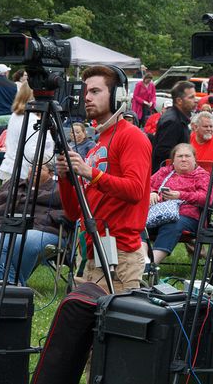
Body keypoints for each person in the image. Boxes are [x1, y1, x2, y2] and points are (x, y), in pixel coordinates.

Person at [56, 65, 152, 293]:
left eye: (95, 91)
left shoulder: (132, 136)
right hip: (91, 251)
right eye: (85, 92)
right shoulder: (97, 144)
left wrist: (90, 173)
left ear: (118, 96)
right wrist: (65, 178)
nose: (87, 98)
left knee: (113, 326)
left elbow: (135, 190)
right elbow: (74, 212)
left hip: (121, 255)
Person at [0, 163, 64, 286]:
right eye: (32, 166)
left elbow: (70, 212)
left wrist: (49, 217)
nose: (34, 170)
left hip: (42, 228)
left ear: (51, 174)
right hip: (7, 225)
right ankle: (14, 285)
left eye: (41, 168)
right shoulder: (14, 184)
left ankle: (9, 285)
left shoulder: (58, 190)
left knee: (26, 240)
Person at [148, 143, 209, 264]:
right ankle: (141, 259)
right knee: (136, 223)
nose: (184, 159)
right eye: (180, 156)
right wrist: (152, 192)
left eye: (187, 156)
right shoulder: (164, 172)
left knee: (173, 224)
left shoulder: (202, 176)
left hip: (188, 216)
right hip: (157, 212)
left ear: (194, 159)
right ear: (173, 160)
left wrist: (180, 195)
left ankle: (151, 264)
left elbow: (206, 198)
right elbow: (145, 185)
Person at [0, 82, 54, 182]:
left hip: (12, 169)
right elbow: (32, 153)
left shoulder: (16, 116)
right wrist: (51, 160)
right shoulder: (32, 119)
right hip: (23, 174)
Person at [152, 81, 196, 172]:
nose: (195, 100)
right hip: (167, 175)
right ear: (179, 101)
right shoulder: (173, 121)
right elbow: (162, 152)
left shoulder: (179, 118)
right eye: (191, 97)